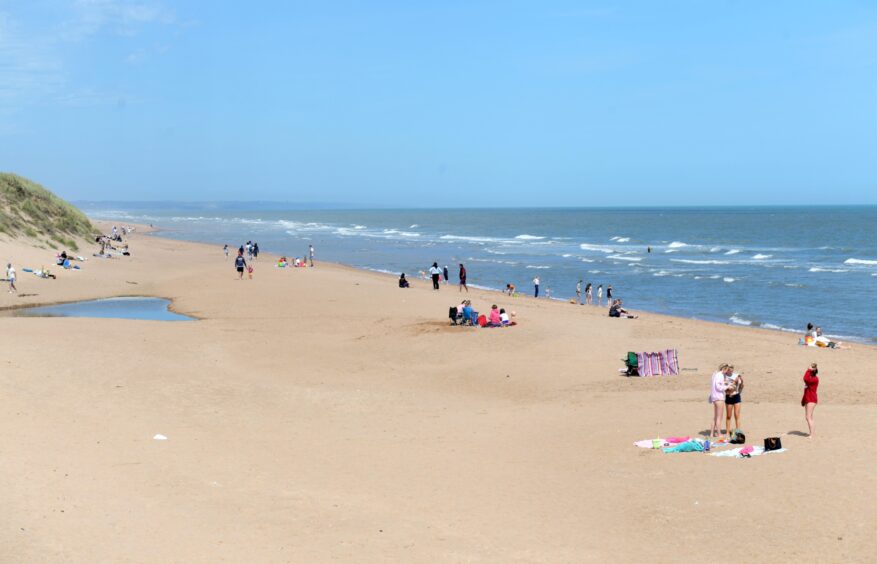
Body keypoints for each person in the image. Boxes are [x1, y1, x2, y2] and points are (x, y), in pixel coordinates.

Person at [709, 364, 731, 440]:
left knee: (715, 416)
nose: (727, 371)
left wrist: (725, 383)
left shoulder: (715, 374)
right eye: (727, 370)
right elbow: (718, 387)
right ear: (724, 369)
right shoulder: (720, 375)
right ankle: (719, 433)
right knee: (719, 417)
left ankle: (712, 433)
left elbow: (715, 385)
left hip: (714, 397)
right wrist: (727, 387)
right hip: (719, 397)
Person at [724, 365, 744, 436]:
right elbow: (725, 388)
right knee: (728, 416)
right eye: (729, 369)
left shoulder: (737, 376)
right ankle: (727, 432)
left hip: (736, 396)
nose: (731, 370)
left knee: (736, 415)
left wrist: (741, 382)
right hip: (728, 397)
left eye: (732, 369)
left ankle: (738, 431)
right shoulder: (724, 376)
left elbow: (741, 385)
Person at [802, 363, 819, 438]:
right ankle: (812, 433)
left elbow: (805, 378)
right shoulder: (810, 380)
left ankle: (812, 434)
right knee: (809, 417)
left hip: (812, 399)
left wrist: (808, 370)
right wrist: (803, 400)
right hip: (808, 399)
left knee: (808, 417)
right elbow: (806, 391)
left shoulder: (814, 379)